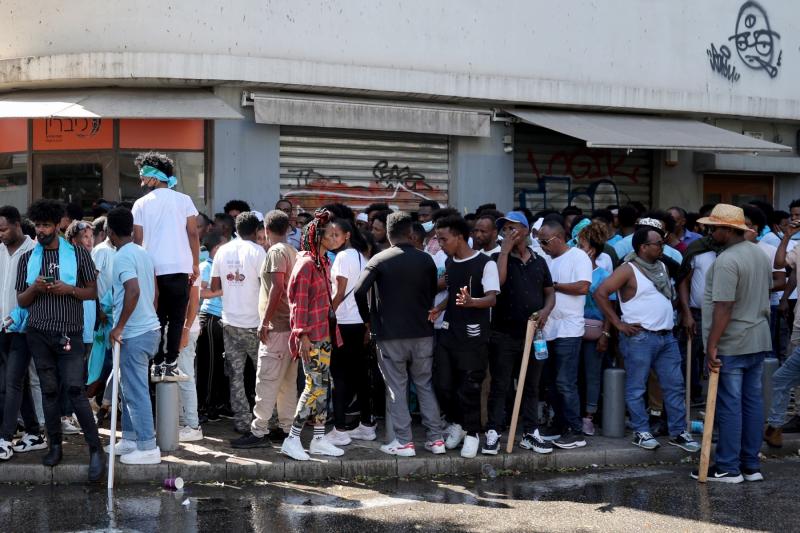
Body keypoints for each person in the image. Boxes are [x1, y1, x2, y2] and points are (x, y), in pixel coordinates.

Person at [15, 199, 103, 481]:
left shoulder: (78, 254)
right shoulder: (28, 258)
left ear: (57, 225)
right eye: (38, 225)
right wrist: (35, 288)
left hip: (70, 332)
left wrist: (68, 289)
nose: (41, 230)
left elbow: (91, 292)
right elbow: (21, 300)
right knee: (50, 391)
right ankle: (55, 446)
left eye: (46, 225)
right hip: (38, 333)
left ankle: (95, 449)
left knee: (76, 391)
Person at [595, 228, 699, 453]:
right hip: (639, 337)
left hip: (666, 336)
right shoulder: (627, 269)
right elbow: (600, 293)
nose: (662, 246)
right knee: (636, 388)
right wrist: (618, 323)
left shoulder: (662, 266)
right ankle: (642, 431)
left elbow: (679, 280)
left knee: (674, 386)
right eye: (658, 243)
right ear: (643, 247)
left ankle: (678, 431)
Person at [354, 211, 447, 457]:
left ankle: (405, 442)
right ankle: (436, 439)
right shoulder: (426, 260)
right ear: (411, 233)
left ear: (387, 233)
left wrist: (369, 320)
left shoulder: (379, 259)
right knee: (425, 385)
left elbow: (358, 291)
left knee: (397, 387)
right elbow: (429, 292)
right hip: (423, 333)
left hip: (390, 335)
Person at [691, 204, 772, 483]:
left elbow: (724, 306)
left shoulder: (727, 260)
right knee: (751, 403)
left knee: (729, 405)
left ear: (729, 230)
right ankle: (750, 465)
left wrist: (711, 345)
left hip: (733, 341)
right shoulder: (758, 254)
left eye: (715, 228)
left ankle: (728, 466)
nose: (710, 232)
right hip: (758, 336)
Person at [484, 212, 554, 455]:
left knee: (531, 385)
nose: (508, 232)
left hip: (533, 334)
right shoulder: (496, 258)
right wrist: (505, 250)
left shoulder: (539, 261)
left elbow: (550, 292)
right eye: (504, 229)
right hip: (503, 333)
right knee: (501, 384)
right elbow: (499, 284)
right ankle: (493, 432)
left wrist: (545, 311)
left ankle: (530, 432)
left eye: (512, 228)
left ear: (525, 229)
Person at [429, 215, 499, 458]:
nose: (440, 243)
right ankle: (457, 424)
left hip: (474, 335)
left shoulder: (485, 263)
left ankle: (472, 433)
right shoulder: (450, 263)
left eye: (443, 239)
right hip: (448, 332)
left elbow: (492, 298)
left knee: (469, 386)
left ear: (459, 237)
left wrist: (472, 302)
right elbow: (452, 292)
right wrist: (440, 307)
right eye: (438, 238)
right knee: (443, 384)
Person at [280, 209, 347, 461]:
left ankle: (318, 438)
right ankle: (292, 439)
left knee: (322, 385)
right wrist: (302, 335)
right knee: (314, 386)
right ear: (318, 236)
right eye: (330, 234)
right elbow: (298, 303)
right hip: (311, 336)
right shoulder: (306, 263)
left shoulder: (323, 262)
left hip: (325, 333)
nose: (335, 238)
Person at [231, 210, 298, 448]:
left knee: (267, 380)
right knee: (287, 383)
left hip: (277, 328)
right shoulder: (293, 251)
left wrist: (265, 321)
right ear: (288, 229)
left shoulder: (275, 252)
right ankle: (287, 429)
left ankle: (259, 432)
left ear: (266, 231)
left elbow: (277, 288)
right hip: (290, 328)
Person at [132, 152, 199, 381]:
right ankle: (171, 363)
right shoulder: (184, 200)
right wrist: (196, 264)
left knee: (157, 317)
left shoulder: (140, 204)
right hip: (180, 267)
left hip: (152, 270)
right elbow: (193, 233)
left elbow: (137, 241)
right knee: (177, 317)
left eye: (143, 177)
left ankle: (158, 364)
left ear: (151, 177)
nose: (142, 182)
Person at [103, 207, 163, 464]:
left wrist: (119, 327)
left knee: (135, 390)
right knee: (128, 388)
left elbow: (134, 291)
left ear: (110, 232)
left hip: (134, 334)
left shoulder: (122, 257)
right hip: (149, 329)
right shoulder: (143, 253)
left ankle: (148, 447)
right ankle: (130, 439)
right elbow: (154, 294)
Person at [536, 220, 591, 449]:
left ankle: (576, 431)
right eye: (539, 241)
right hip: (548, 329)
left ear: (558, 237)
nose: (542, 245)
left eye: (545, 241)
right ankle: (559, 425)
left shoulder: (578, 257)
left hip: (569, 329)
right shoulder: (547, 260)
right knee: (550, 382)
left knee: (565, 382)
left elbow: (582, 287)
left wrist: (554, 285)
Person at [211, 212, 267, 434]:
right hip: (255, 323)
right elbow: (267, 286)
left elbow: (215, 286)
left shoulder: (223, 251)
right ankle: (263, 421)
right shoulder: (258, 251)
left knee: (236, 375)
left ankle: (242, 421)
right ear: (255, 231)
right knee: (262, 374)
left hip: (230, 321)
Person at [326, 219, 376, 445]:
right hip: (359, 323)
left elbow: (340, 290)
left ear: (347, 235)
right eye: (329, 235)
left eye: (336, 234)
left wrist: (329, 314)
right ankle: (367, 425)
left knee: (339, 375)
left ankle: (339, 429)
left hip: (343, 321)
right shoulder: (362, 257)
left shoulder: (343, 257)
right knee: (360, 375)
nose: (331, 238)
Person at [0, 206, 42, 461]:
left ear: (17, 225)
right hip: (0, 327)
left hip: (24, 328)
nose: (1, 234)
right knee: (17, 382)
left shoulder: (33, 251)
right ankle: (34, 432)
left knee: (11, 382)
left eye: (4, 229)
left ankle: (5, 438)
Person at [576, 222, 614, 436]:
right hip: (572, 330)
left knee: (592, 374)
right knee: (572, 374)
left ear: (592, 249)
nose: (577, 249)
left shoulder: (604, 275)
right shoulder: (572, 271)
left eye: (581, 245)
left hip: (594, 330)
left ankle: (589, 416)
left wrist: (606, 335)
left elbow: (611, 308)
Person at [196, 232, 230, 421]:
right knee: (207, 366)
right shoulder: (205, 266)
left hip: (224, 318)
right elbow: (201, 292)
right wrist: (226, 290)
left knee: (218, 366)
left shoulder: (222, 267)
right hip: (210, 318)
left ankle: (216, 404)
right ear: (216, 249)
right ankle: (203, 407)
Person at [177, 272, 203, 442]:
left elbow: (193, 301)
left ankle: (193, 425)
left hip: (186, 330)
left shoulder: (191, 269)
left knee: (185, 377)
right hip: (179, 329)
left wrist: (185, 330)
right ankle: (182, 422)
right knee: (178, 377)